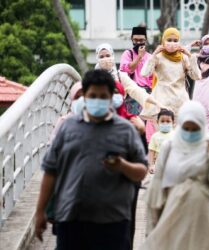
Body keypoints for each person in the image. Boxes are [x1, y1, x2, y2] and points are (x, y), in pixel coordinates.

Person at [34, 69, 148, 250]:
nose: (98, 100)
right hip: (71, 217)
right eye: (92, 95)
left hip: (113, 220)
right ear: (84, 97)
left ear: (112, 97)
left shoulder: (125, 131)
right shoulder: (68, 128)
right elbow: (50, 171)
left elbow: (141, 171)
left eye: (103, 96)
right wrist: (40, 212)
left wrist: (122, 166)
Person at [141, 101, 209, 250]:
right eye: (186, 128)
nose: (190, 133)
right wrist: (152, 227)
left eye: (195, 129)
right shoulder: (170, 147)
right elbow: (156, 189)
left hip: (204, 218)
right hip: (173, 215)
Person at [140, 27, 201, 121]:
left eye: (175, 40)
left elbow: (196, 76)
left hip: (180, 101)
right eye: (169, 40)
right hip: (161, 100)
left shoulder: (183, 58)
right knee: (162, 133)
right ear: (163, 41)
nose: (172, 43)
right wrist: (154, 54)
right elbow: (144, 73)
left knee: (178, 134)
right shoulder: (158, 57)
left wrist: (190, 56)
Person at [120, 26, 153, 115]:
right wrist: (139, 57)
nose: (138, 42)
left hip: (148, 94)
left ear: (145, 40)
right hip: (133, 94)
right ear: (131, 39)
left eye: (141, 40)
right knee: (135, 123)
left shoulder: (150, 57)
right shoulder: (127, 54)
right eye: (135, 40)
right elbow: (128, 69)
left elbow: (152, 78)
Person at [148, 109, 175, 174]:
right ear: (157, 122)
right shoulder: (155, 136)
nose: (165, 123)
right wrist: (151, 165)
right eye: (162, 121)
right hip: (159, 164)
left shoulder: (176, 135)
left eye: (168, 121)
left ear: (173, 122)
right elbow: (151, 151)